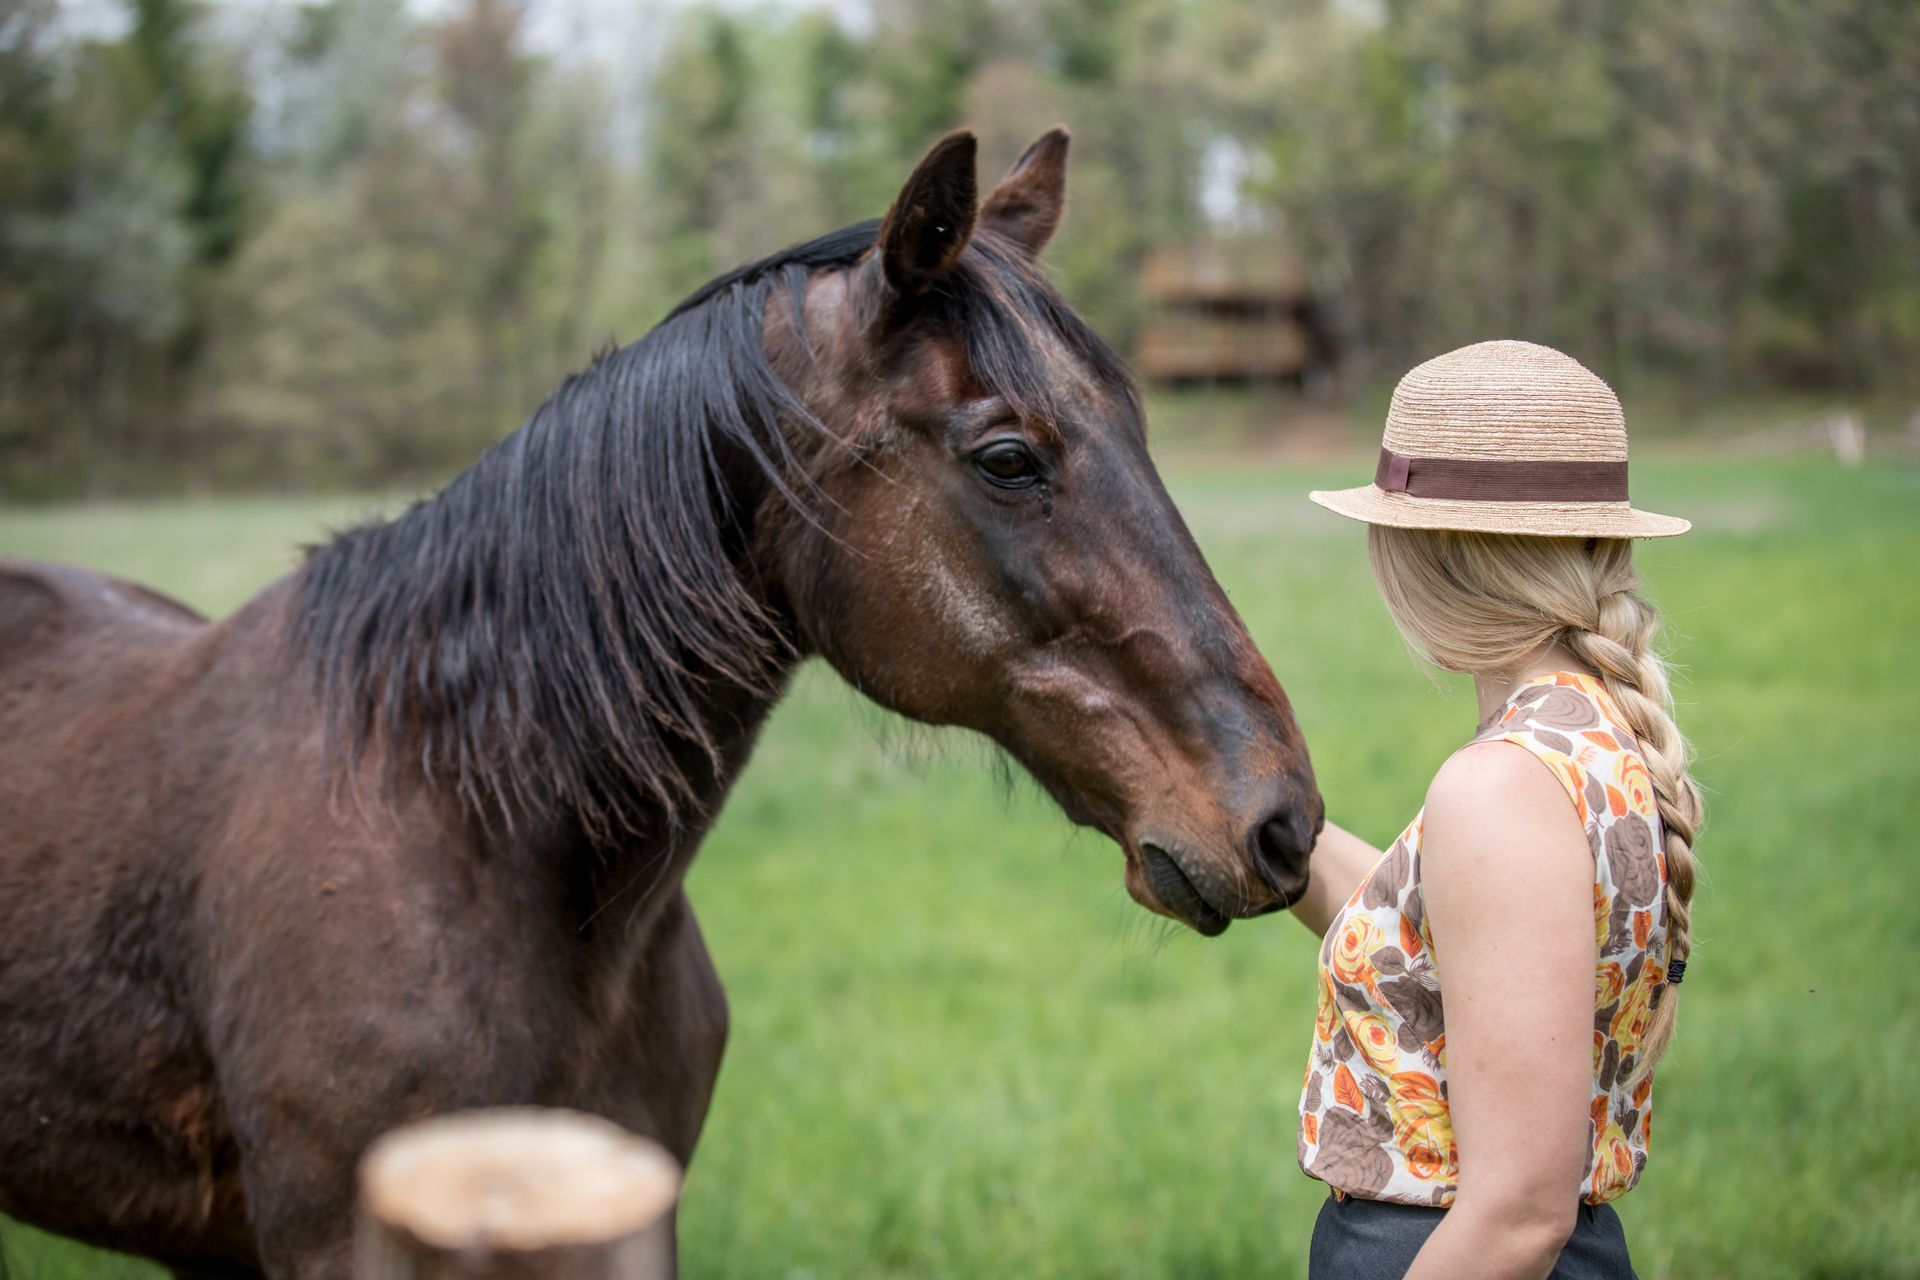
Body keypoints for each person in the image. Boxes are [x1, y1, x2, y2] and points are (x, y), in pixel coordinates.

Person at [1288, 340, 1702, 1280]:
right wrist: (1282, 845)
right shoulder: (1589, 736)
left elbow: (1517, 1215)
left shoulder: (1501, 788)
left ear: (1423, 554)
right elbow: (1458, 944)